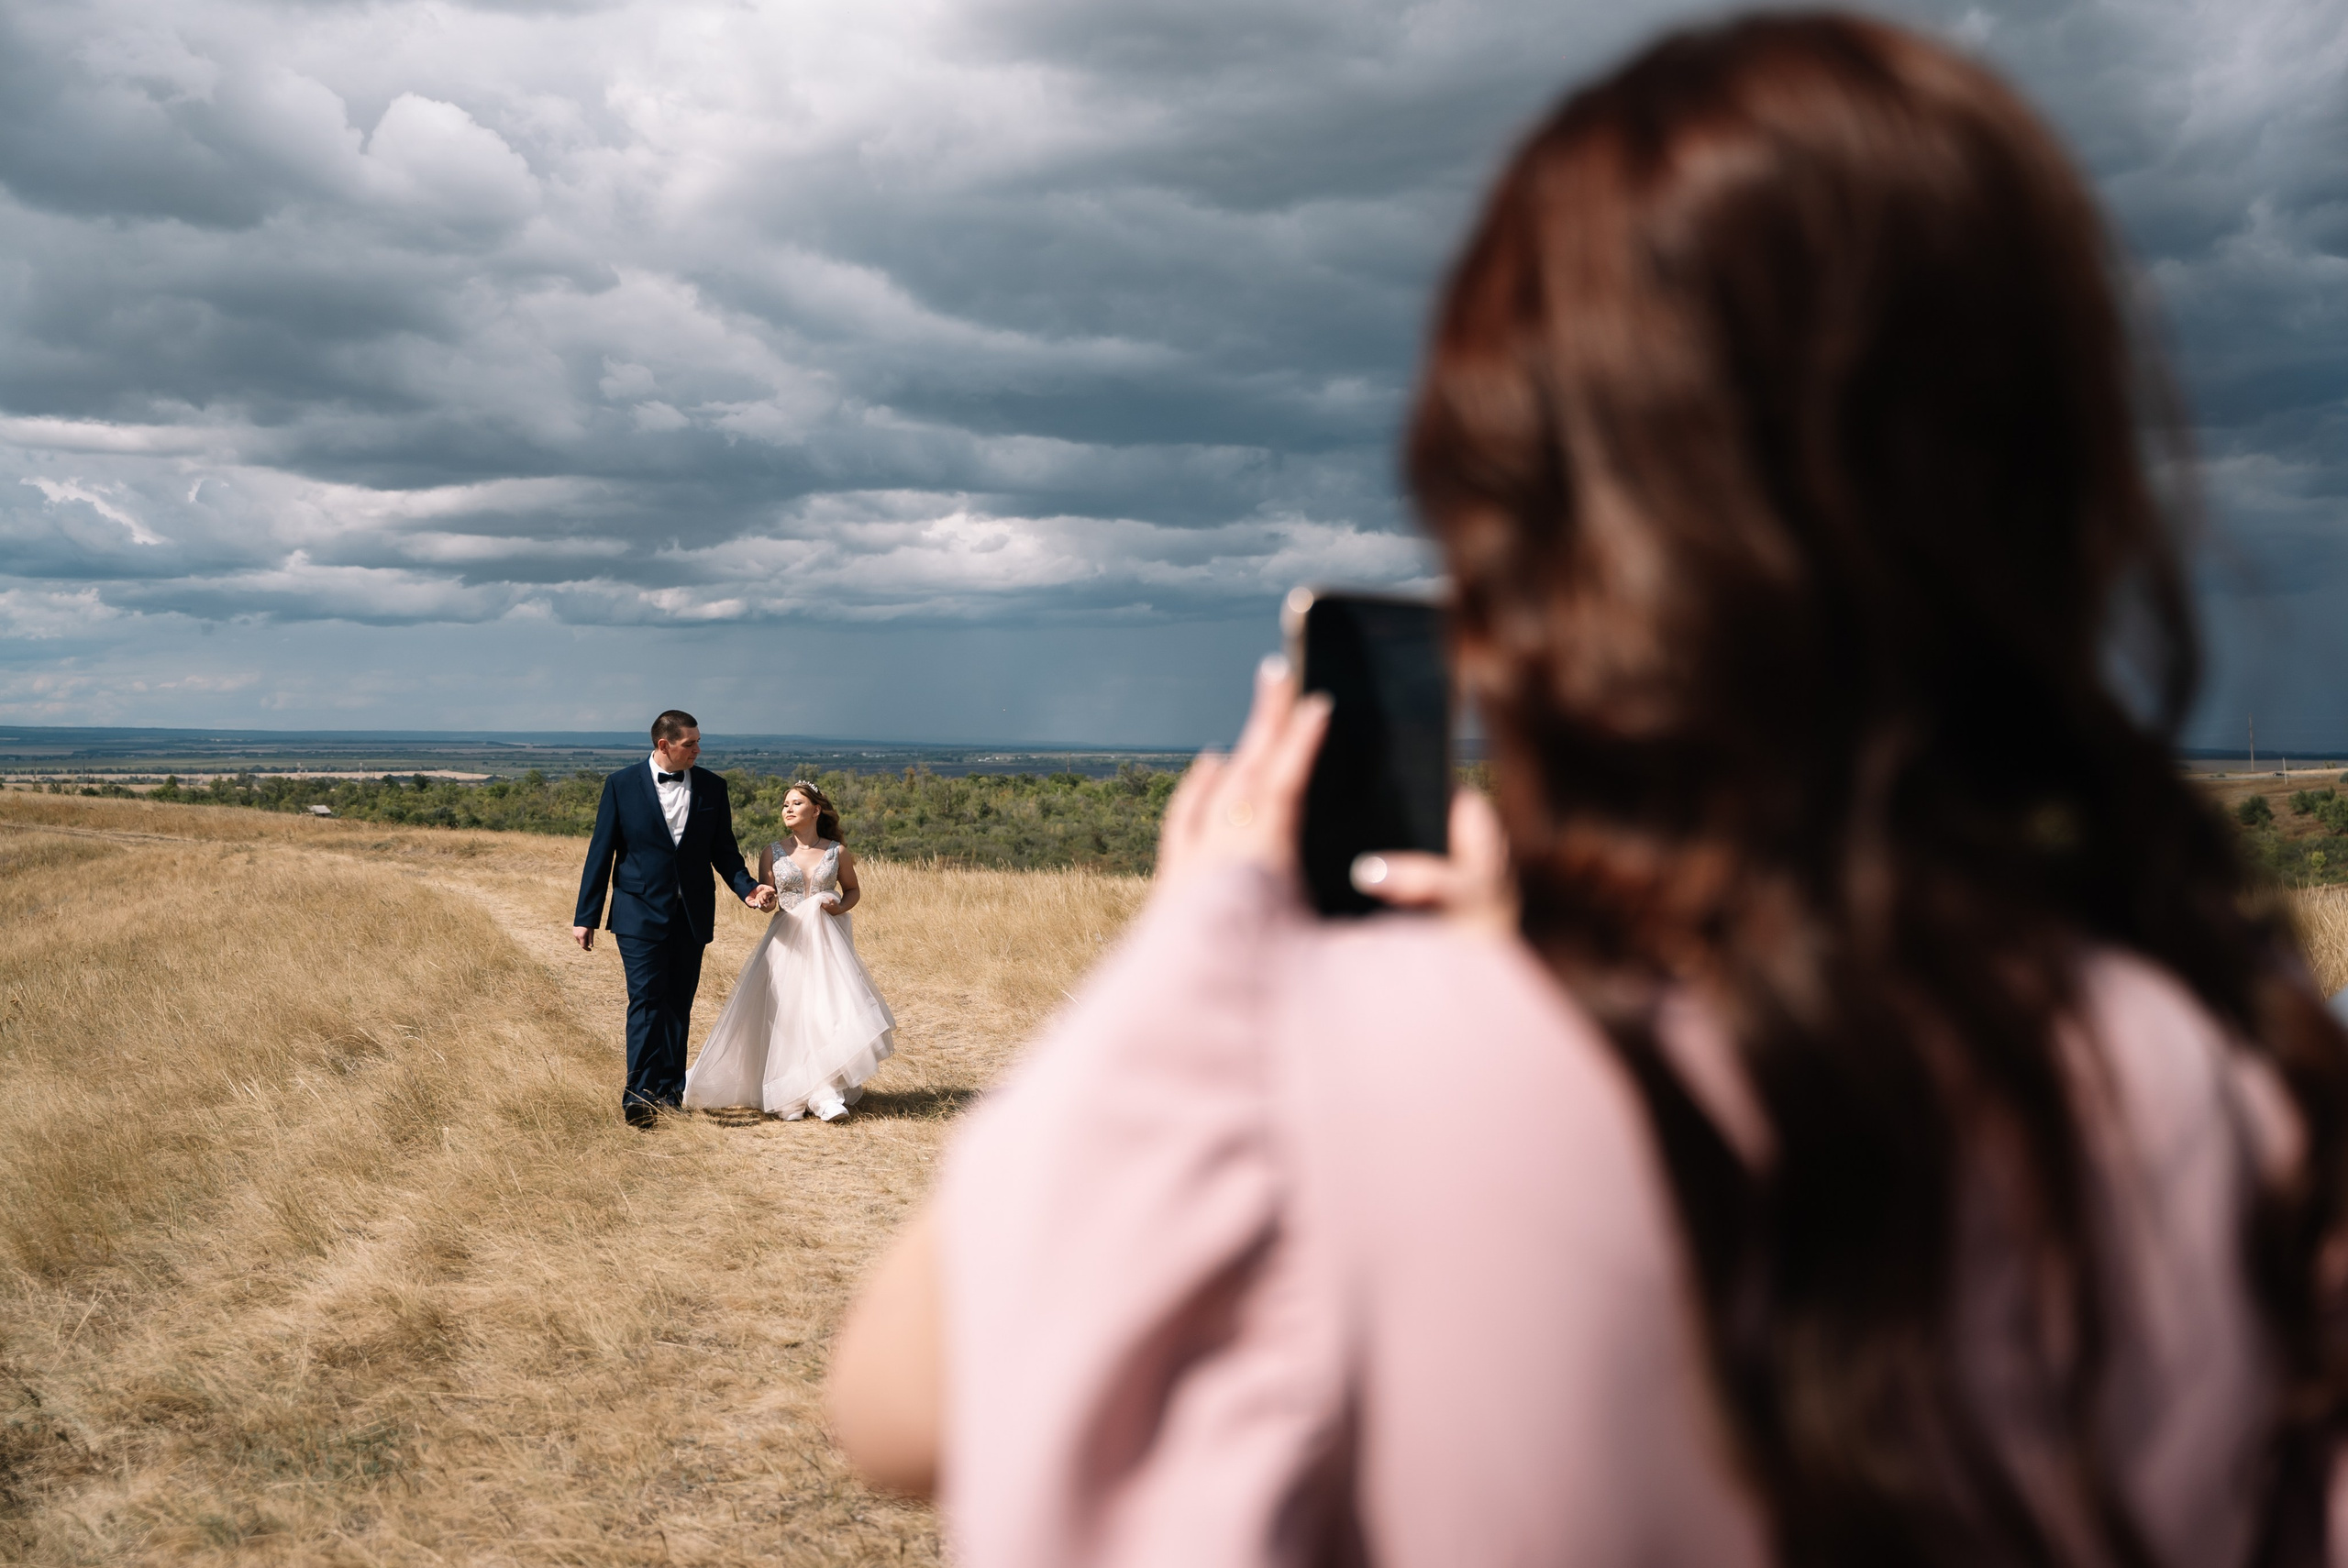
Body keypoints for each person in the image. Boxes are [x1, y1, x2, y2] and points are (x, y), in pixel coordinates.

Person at [825, 14, 2348, 1568]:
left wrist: (1193, 958)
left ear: (1530, 523)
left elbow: (889, 1403)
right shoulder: (2245, 1082)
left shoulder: (1324, 1094)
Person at [572, 711, 775, 1128]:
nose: (698, 750)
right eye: (690, 743)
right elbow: (601, 852)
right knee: (647, 1001)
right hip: (637, 913)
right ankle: (639, 1095)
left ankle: (669, 1093)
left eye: (699, 742)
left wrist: (749, 889)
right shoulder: (620, 784)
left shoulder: (713, 787)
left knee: (678, 1005)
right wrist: (586, 916)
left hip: (691, 915)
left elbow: (724, 852)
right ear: (664, 745)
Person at [683, 779, 897, 1121]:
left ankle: (825, 1093)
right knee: (787, 1015)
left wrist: (840, 908)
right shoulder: (772, 852)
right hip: (786, 942)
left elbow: (852, 890)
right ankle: (790, 1091)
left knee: (826, 1011)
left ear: (816, 810)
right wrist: (764, 900)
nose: (788, 809)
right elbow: (766, 900)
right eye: (785, 804)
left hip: (827, 944)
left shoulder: (836, 851)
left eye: (796, 803)